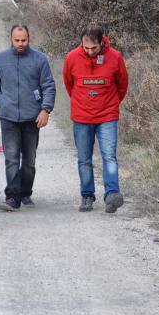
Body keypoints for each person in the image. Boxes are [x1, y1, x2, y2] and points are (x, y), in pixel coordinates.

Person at [0, 25, 56, 212]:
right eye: (17, 40)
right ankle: (12, 197)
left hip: (32, 118)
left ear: (29, 38)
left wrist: (45, 110)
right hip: (8, 118)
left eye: (23, 40)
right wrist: (2, 101)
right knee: (11, 157)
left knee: (29, 161)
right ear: (11, 39)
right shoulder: (1, 59)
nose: (20, 44)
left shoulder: (39, 60)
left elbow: (48, 86)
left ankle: (25, 192)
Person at [63, 25, 129, 213]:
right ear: (81, 44)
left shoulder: (115, 57)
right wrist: (81, 102)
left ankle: (112, 195)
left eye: (94, 48)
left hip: (107, 116)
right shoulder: (71, 58)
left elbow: (122, 84)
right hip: (82, 117)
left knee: (109, 156)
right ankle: (87, 195)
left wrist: (111, 104)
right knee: (84, 159)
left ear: (102, 42)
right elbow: (69, 85)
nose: (90, 52)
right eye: (86, 48)